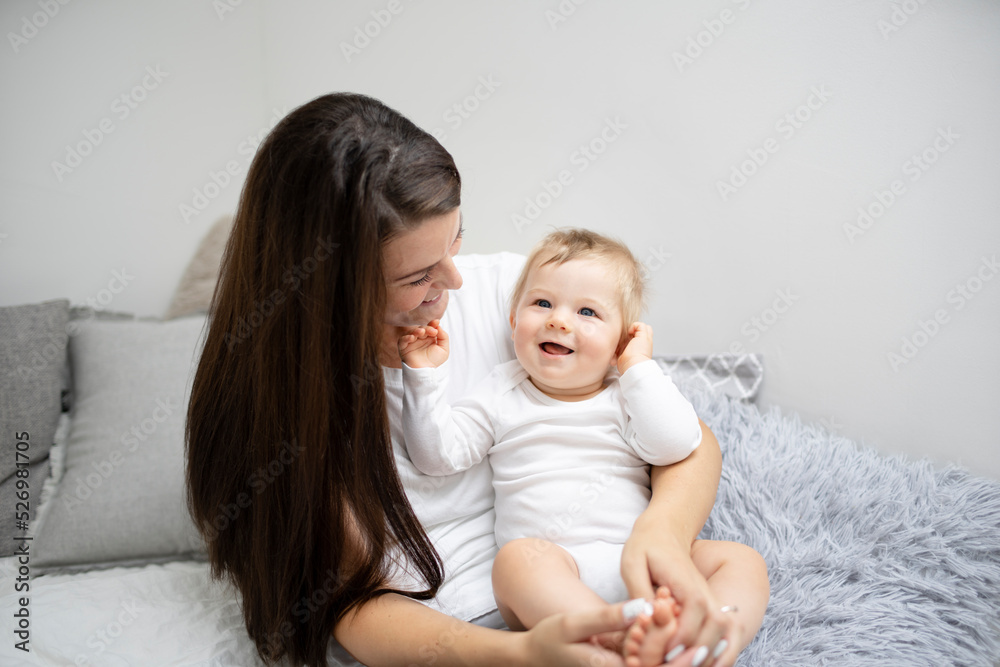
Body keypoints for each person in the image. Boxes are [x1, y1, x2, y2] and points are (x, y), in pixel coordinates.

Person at [185, 92, 754, 667]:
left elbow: (688, 443)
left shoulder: (525, 300)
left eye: (455, 240)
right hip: (465, 632)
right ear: (330, 289)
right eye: (417, 276)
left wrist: (662, 534)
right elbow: (354, 607)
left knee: (742, 564)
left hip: (608, 563)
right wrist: (525, 653)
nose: (454, 280)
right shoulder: (285, 420)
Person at [397, 229, 769, 666]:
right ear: (514, 321)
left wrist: (639, 370)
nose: (559, 320)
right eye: (542, 304)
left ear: (619, 344)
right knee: (516, 563)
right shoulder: (500, 392)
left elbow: (677, 443)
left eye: (588, 311)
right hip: (555, 569)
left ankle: (708, 642)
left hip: (643, 559)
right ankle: (616, 640)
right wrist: (424, 379)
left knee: (741, 560)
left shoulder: (627, 396)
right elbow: (438, 456)